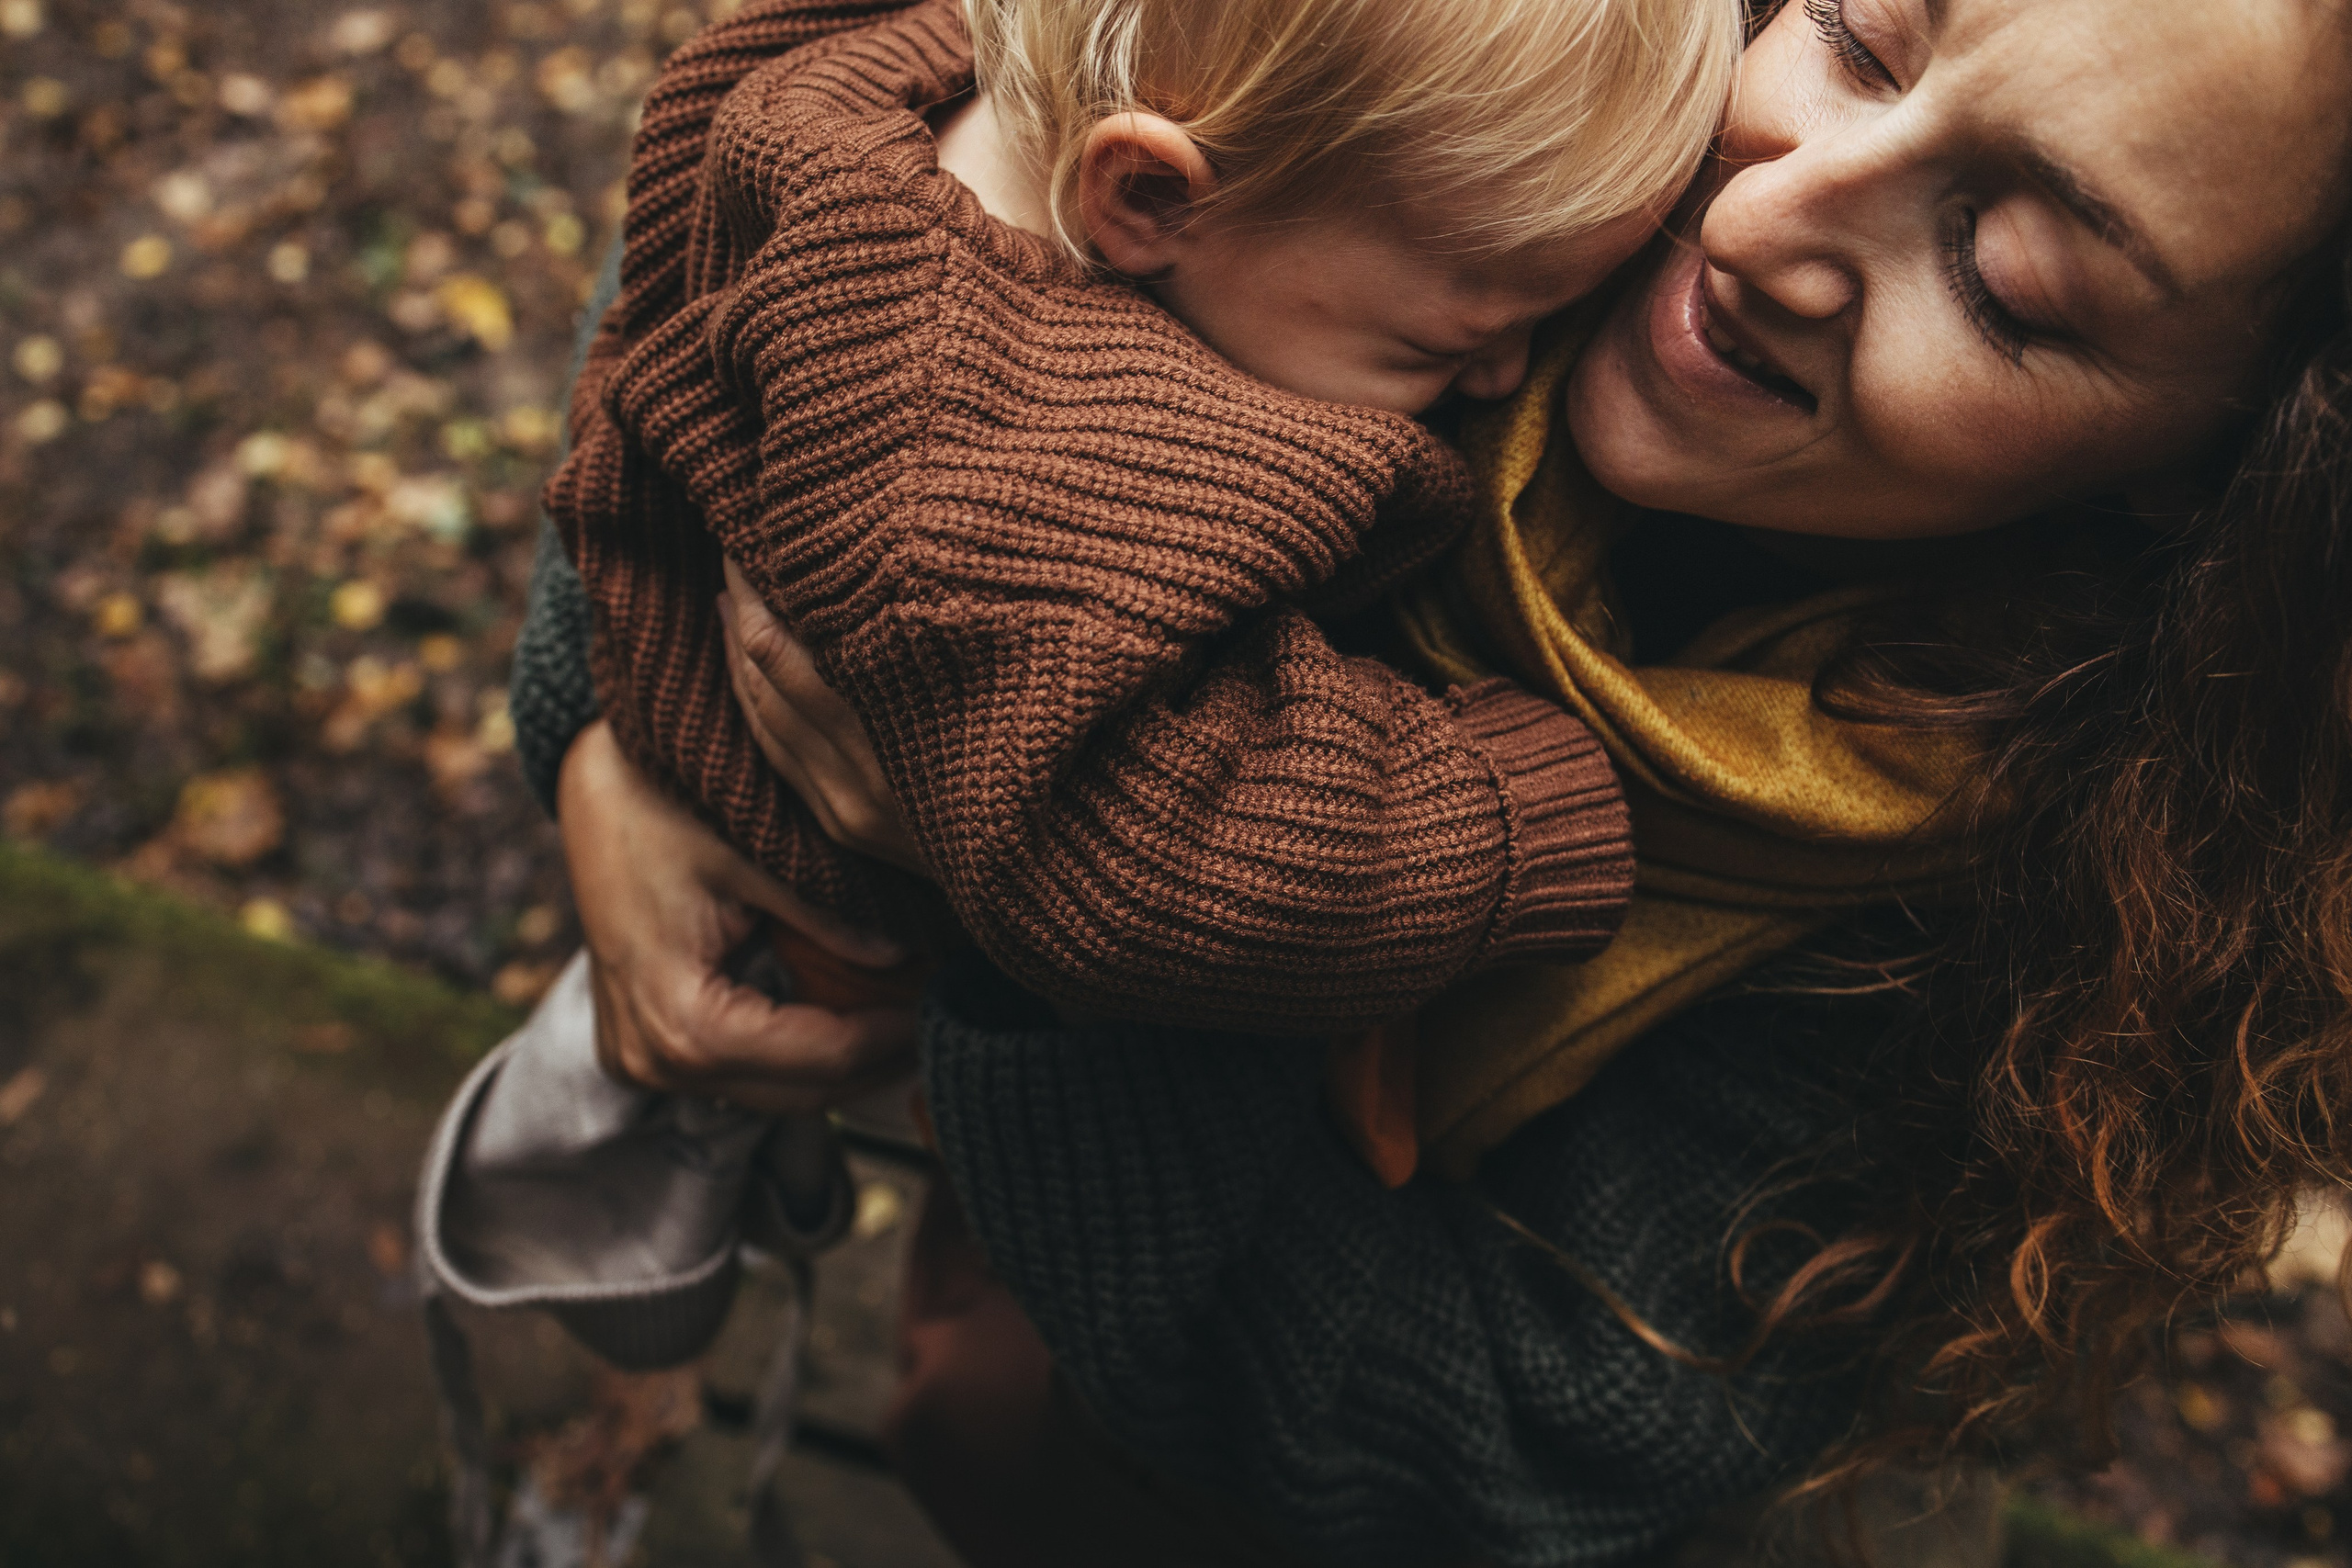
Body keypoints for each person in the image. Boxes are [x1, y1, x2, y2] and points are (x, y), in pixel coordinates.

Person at [514, 0, 2352, 1561]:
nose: (1763, 214)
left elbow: (1490, 1444)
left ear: (2230, 479)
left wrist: (1026, 851)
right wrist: (614, 715)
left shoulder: (2034, 917)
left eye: (2005, 277)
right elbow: (857, 132)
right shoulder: (1548, 51)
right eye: (1861, 35)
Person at [545, 0, 1746, 1047]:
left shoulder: (891, 76)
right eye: (1456, 341)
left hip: (687, 658)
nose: (1503, 381)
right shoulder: (1004, 486)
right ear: (1152, 197)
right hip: (804, 894)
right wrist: (1524, 815)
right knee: (758, 1048)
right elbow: (1153, 872)